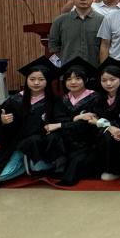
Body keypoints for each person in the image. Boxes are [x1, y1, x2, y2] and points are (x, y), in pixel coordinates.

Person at [0, 56, 57, 189]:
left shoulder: (54, 102)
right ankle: (25, 164)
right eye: (32, 79)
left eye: (41, 79)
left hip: (39, 145)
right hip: (16, 145)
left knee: (38, 169)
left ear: (47, 81)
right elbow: (0, 127)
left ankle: (34, 164)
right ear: (26, 80)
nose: (36, 83)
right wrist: (3, 122)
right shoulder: (15, 101)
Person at [43, 57, 101, 186]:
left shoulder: (95, 97)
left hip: (87, 142)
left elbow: (87, 124)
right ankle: (58, 165)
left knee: (76, 164)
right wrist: (77, 118)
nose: (73, 82)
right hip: (66, 140)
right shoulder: (62, 99)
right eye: (69, 79)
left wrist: (62, 125)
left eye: (78, 78)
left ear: (86, 80)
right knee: (52, 138)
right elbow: (58, 119)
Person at [87, 60, 120, 183]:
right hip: (102, 132)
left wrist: (109, 127)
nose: (108, 83)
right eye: (104, 80)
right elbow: (92, 118)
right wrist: (108, 127)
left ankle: (114, 170)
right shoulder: (98, 98)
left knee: (109, 136)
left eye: (112, 79)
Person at [48, 0, 103, 67]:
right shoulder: (60, 20)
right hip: (68, 68)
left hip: (95, 67)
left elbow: (107, 45)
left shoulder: (103, 20)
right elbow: (53, 45)